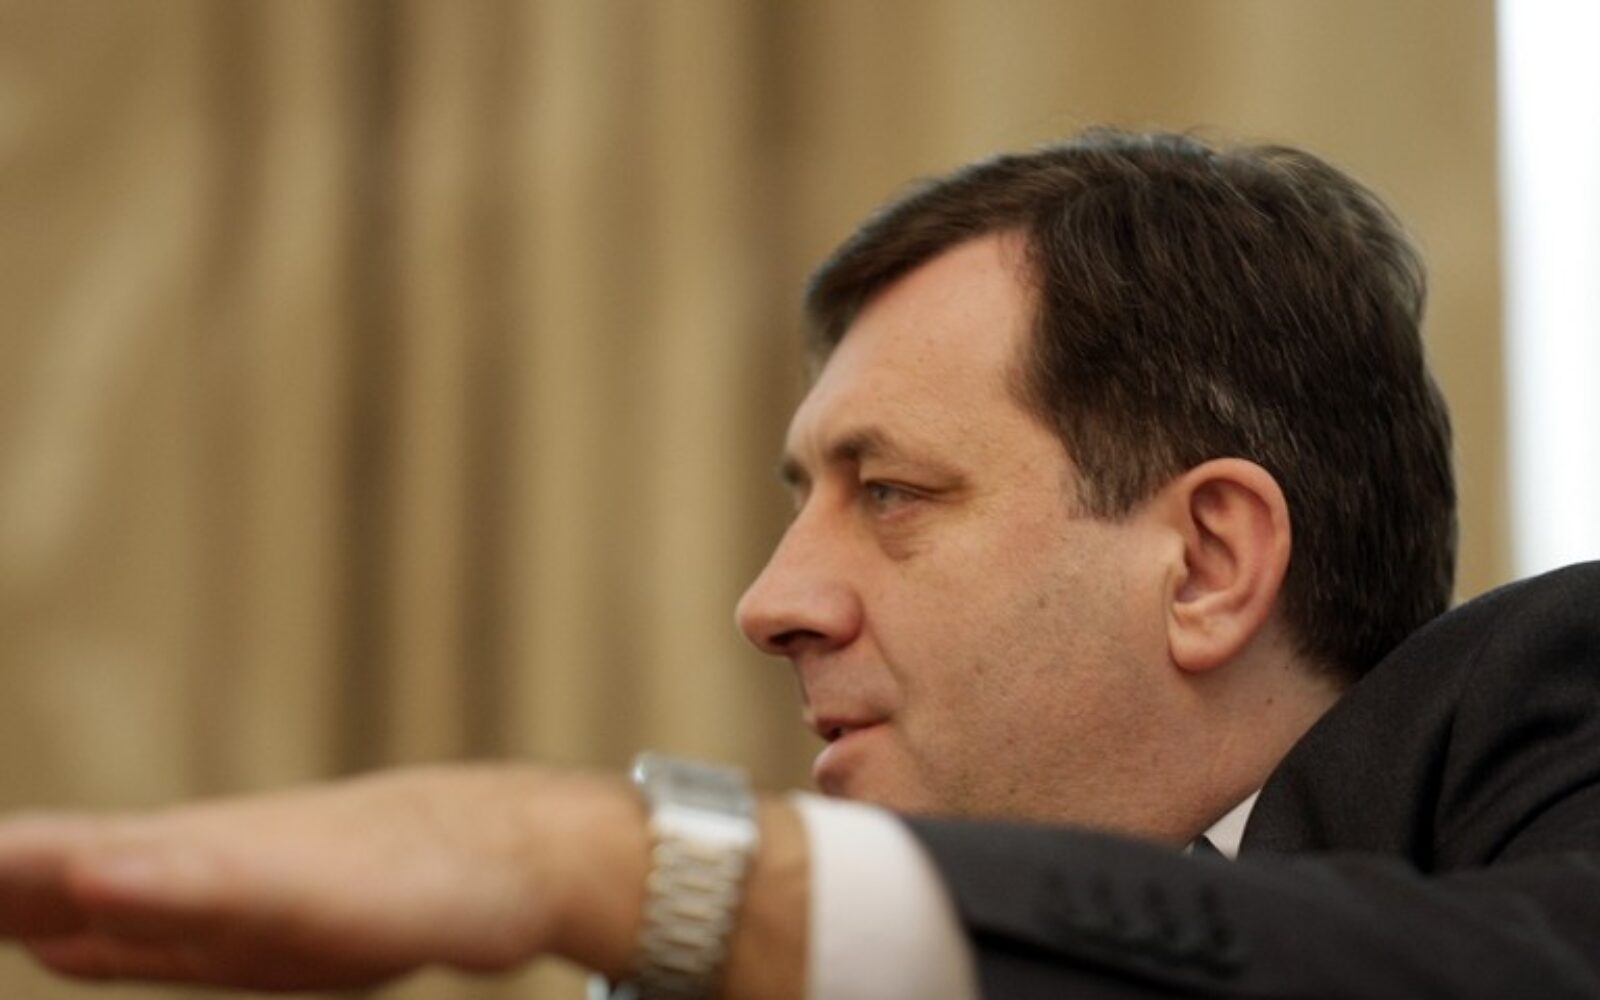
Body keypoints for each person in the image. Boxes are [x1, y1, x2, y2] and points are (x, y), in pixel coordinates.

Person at [1, 130, 1597, 999]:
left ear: (1204, 561)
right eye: (803, 499)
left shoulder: (1549, 697)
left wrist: (608, 866)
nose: (770, 603)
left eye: (889, 493)